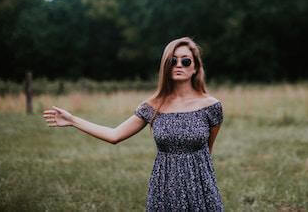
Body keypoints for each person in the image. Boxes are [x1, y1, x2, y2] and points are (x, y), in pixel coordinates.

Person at [42, 37, 224, 211]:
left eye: (185, 61)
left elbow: (207, 151)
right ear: (165, 67)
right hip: (165, 188)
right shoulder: (153, 106)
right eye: (172, 61)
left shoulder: (211, 107)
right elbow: (114, 135)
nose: (178, 65)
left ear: (195, 68)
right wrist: (73, 120)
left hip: (201, 186)